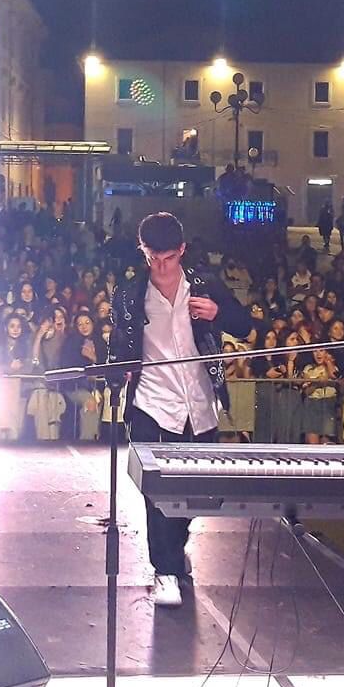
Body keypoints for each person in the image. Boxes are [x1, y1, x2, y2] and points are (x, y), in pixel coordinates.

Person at [110, 212, 253, 608]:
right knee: (157, 493)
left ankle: (176, 549)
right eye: (151, 257)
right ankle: (165, 570)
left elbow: (246, 326)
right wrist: (116, 373)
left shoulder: (205, 285)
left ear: (182, 251)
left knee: (196, 492)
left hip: (200, 403)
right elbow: (118, 340)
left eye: (168, 258)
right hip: (151, 402)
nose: (159, 266)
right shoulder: (128, 293)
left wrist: (218, 314)